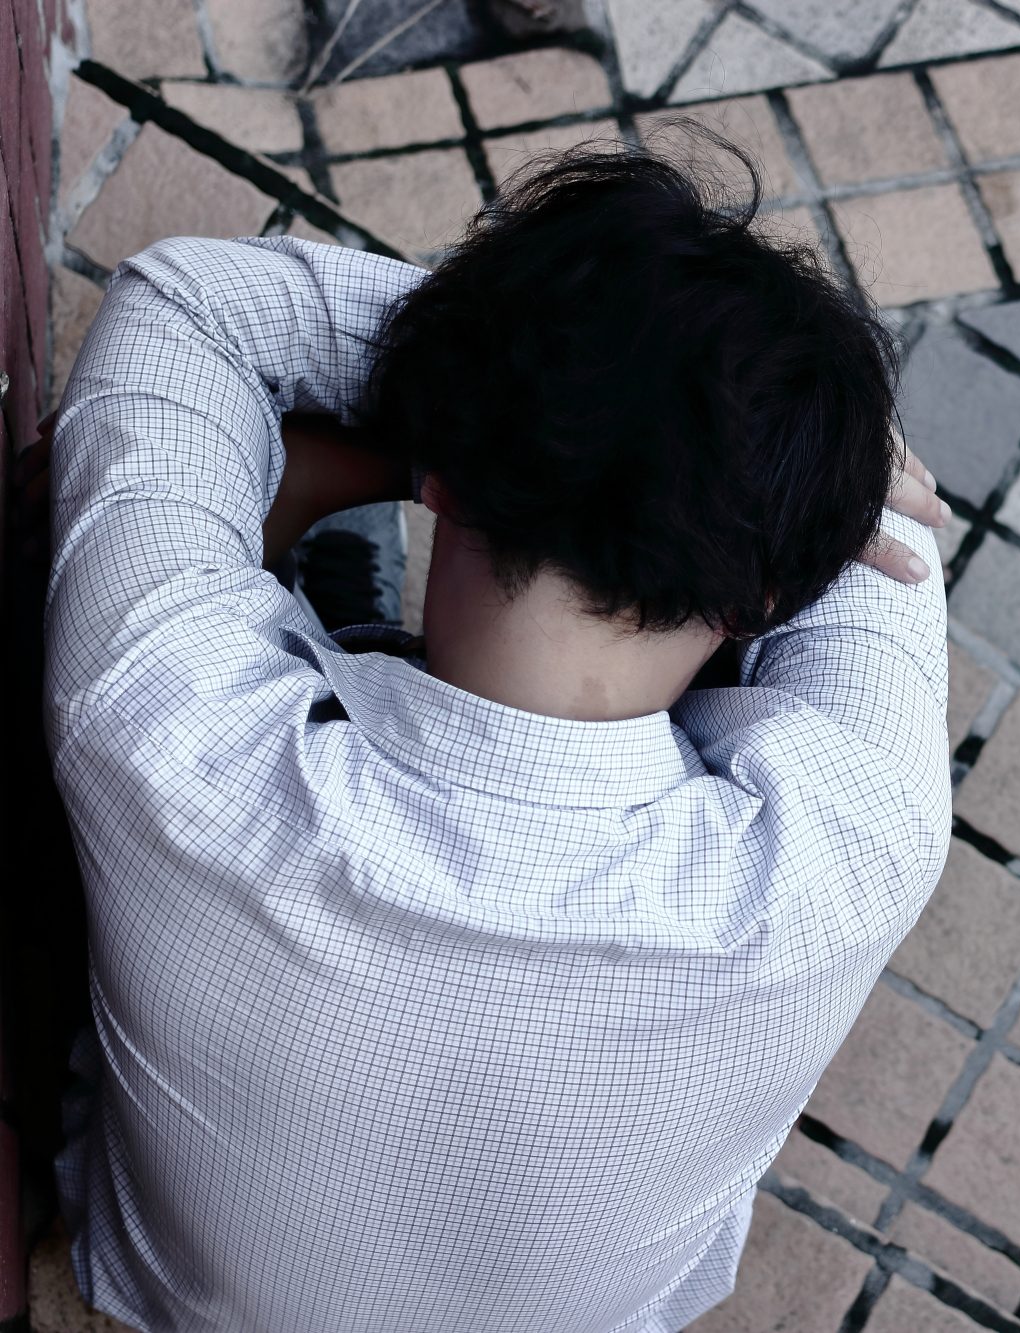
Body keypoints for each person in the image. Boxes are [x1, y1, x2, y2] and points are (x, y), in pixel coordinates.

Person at [41, 139, 952, 1332]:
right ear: (760, 598)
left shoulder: (163, 715)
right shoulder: (862, 849)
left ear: (445, 477)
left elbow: (197, 301)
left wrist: (492, 376)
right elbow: (892, 533)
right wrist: (778, 460)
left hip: (163, 1298)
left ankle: (324, 507)